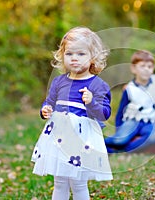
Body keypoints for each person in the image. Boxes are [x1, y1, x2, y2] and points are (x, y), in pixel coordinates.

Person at [31, 27, 113, 200]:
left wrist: (91, 102)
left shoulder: (98, 85)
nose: (74, 58)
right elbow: (50, 101)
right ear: (62, 56)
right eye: (69, 54)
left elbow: (104, 114)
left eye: (81, 54)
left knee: (78, 182)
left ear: (93, 57)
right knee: (60, 182)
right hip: (59, 136)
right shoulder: (59, 81)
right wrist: (45, 109)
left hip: (82, 140)